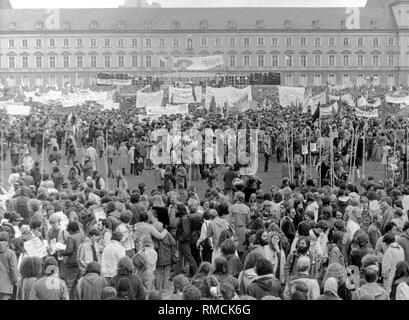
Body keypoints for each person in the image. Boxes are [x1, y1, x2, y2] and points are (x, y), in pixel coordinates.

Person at [0, 231, 18, 300]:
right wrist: (15, 281)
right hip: (6, 285)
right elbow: (13, 269)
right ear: (8, 239)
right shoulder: (11, 253)